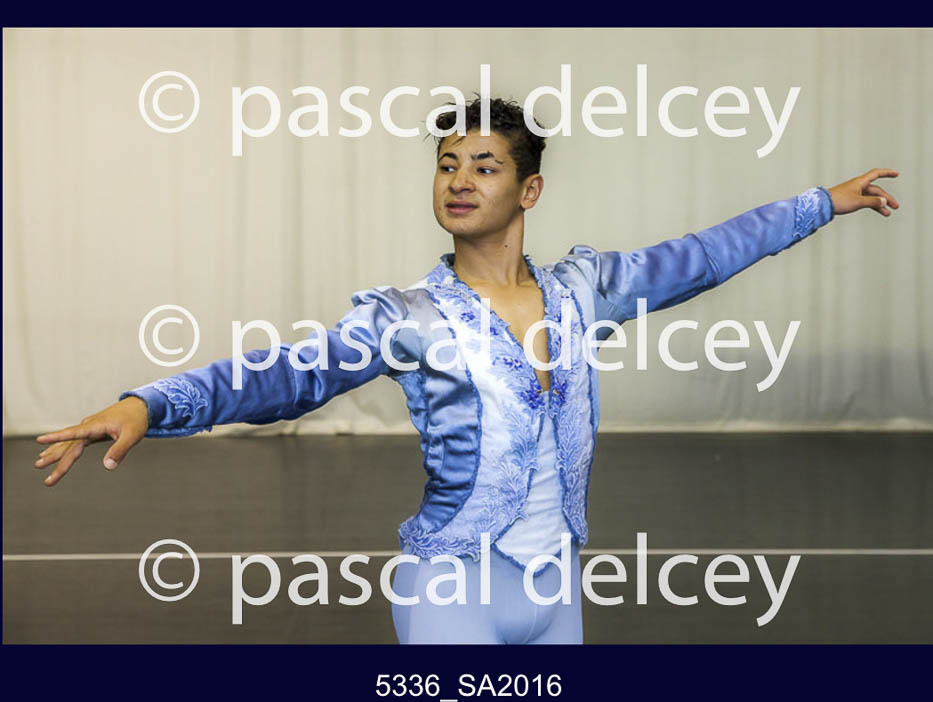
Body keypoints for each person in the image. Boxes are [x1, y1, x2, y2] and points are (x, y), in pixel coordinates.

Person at [34, 97, 899, 644]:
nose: (459, 180)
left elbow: (704, 256)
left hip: (557, 594)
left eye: (484, 167)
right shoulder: (405, 318)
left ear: (529, 191)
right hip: (452, 593)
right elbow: (287, 375)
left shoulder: (583, 290)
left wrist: (821, 204)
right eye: (447, 164)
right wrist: (151, 403)